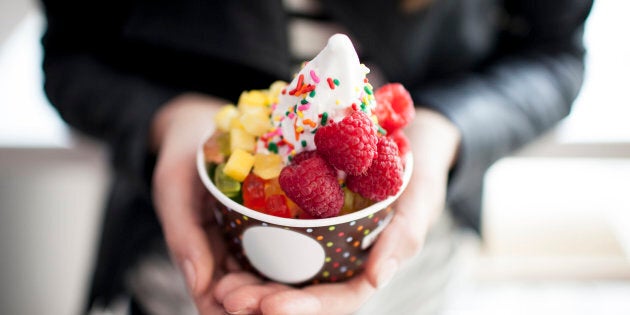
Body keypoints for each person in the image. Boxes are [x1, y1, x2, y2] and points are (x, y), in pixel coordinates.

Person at [39, 0, 593, 314]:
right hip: (177, 251)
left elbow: (555, 53)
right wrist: (169, 117)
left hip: (414, 254)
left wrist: (444, 128)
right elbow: (70, 52)